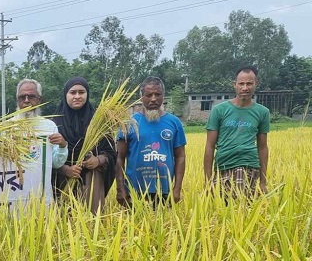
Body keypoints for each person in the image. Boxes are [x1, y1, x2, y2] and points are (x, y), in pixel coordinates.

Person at [116, 77, 187, 208]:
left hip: (165, 190)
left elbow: (180, 156)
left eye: (157, 94)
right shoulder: (128, 123)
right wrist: (120, 189)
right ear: (141, 97)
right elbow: (119, 158)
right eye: (149, 95)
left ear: (163, 96)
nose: (153, 99)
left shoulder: (174, 122)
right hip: (134, 191)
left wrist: (177, 189)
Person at [204, 65, 270, 198]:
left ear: (256, 84)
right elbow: (210, 146)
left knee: (241, 208)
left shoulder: (262, 112)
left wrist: (263, 182)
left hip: (248, 165)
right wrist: (207, 181)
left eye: (249, 84)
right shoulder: (219, 110)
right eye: (241, 84)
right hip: (223, 165)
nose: (245, 88)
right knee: (221, 210)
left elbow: (262, 147)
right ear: (235, 85)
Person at [52, 77, 116, 213]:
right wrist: (65, 169)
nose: (77, 96)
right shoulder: (54, 123)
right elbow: (46, 159)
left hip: (91, 179)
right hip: (62, 182)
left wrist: (98, 160)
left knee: (91, 222)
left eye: (81, 92)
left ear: (87, 94)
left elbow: (111, 152)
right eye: (72, 92)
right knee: (64, 222)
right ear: (65, 95)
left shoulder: (99, 121)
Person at [13, 78, 68, 170]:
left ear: (39, 100)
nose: (26, 101)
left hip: (40, 183)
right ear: (17, 100)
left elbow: (55, 163)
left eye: (31, 96)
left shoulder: (49, 126)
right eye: (22, 97)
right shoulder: (5, 127)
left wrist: (62, 146)